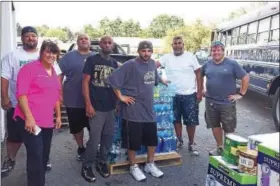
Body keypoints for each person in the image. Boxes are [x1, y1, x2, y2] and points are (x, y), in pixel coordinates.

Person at [107, 41, 168, 182]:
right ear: (138, 51)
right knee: (132, 142)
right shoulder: (130, 65)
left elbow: (154, 77)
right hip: (133, 111)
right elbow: (112, 79)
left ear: (151, 52)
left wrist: (163, 80)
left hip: (149, 111)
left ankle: (149, 164)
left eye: (148, 51)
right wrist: (121, 97)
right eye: (143, 51)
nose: (146, 53)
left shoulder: (153, 63)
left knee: (152, 140)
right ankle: (133, 166)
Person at [1, 26, 54, 176]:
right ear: (22, 38)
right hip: (16, 105)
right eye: (27, 36)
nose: (31, 38)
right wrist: (4, 97)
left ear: (38, 38)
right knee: (14, 137)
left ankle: (45, 158)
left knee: (44, 136)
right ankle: (10, 159)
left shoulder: (45, 54)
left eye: (33, 36)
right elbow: (4, 77)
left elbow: (56, 75)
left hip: (41, 108)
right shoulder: (12, 56)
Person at [13, 41, 62, 186]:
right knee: (36, 155)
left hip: (47, 121)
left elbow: (55, 96)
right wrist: (29, 118)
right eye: (47, 51)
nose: (50, 55)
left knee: (44, 156)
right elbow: (21, 94)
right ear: (41, 53)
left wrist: (58, 115)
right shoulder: (29, 69)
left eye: (53, 52)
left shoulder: (53, 71)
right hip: (30, 120)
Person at [201, 41, 249, 155]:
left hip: (227, 102)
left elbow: (245, 77)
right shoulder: (207, 64)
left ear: (223, 51)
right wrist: (202, 89)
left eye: (218, 50)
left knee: (229, 128)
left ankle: (229, 151)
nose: (216, 52)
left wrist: (241, 94)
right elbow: (199, 75)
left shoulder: (232, 64)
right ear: (211, 52)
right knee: (215, 126)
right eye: (213, 50)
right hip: (210, 101)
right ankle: (220, 147)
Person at [81, 35, 118, 182]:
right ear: (100, 45)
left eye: (110, 42)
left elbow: (116, 86)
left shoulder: (115, 63)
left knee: (108, 138)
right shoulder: (92, 60)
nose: (107, 45)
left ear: (112, 45)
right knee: (94, 139)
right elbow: (85, 83)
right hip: (96, 107)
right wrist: (88, 104)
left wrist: (116, 105)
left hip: (110, 107)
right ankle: (86, 165)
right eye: (105, 42)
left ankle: (102, 162)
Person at [157, 36, 202, 156]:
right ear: (172, 46)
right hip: (172, 94)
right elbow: (152, 65)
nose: (177, 45)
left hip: (189, 94)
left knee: (191, 121)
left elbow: (198, 73)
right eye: (175, 44)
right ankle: (179, 140)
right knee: (176, 119)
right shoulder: (167, 57)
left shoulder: (190, 57)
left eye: (179, 43)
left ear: (183, 44)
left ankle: (191, 143)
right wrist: (160, 80)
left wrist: (200, 91)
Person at [58, 33, 93, 161]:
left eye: (86, 38)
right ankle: (81, 147)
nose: (84, 40)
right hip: (73, 98)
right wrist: (59, 93)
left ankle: (92, 147)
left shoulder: (96, 56)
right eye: (81, 39)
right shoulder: (68, 57)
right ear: (77, 42)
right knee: (76, 127)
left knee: (94, 127)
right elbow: (59, 75)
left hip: (93, 100)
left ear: (90, 42)